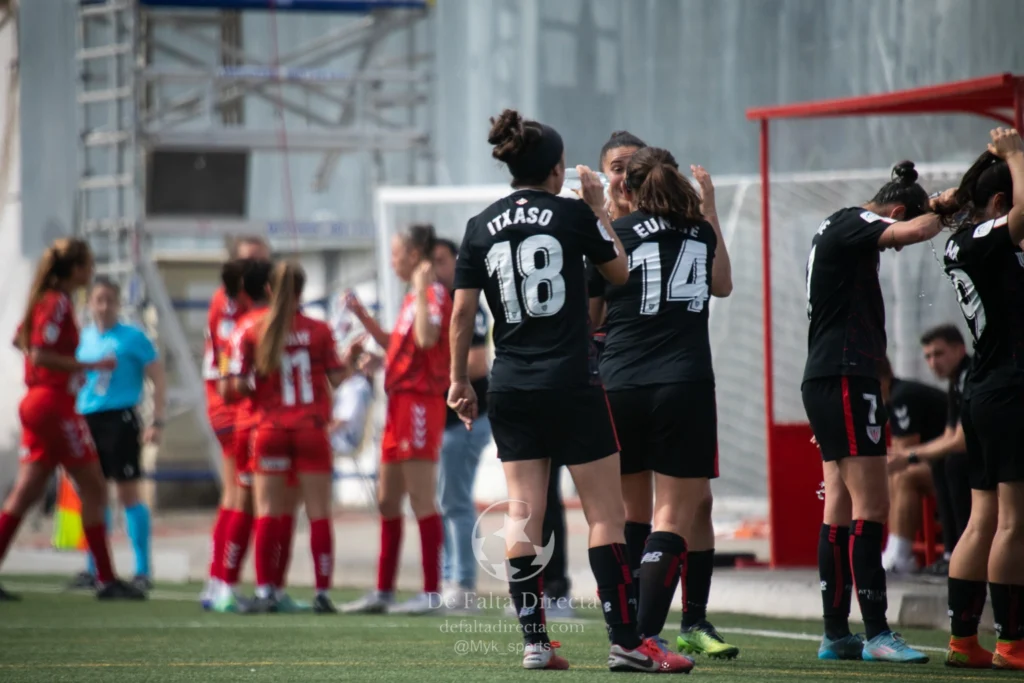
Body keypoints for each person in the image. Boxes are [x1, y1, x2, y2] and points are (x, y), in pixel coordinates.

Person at [448, 108, 693, 673]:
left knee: (523, 513)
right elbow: (621, 274)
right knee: (605, 515)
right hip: (573, 380)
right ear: (557, 168)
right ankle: (627, 642)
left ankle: (536, 643)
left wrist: (460, 381)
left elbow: (462, 313)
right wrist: (595, 209)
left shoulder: (480, 223)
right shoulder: (570, 212)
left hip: (510, 384)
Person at [590, 147, 738, 659]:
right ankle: (641, 640)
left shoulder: (619, 236)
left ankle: (628, 633)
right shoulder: (698, 232)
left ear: (625, 189)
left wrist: (600, 217)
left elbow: (592, 315)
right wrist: (710, 208)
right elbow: (723, 284)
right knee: (674, 513)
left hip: (621, 383)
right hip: (684, 384)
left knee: (633, 513)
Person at [803, 160, 945, 662]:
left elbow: (911, 223)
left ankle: (835, 632)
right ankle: (878, 633)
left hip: (827, 377)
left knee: (839, 505)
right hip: (845, 376)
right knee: (872, 506)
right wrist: (944, 213)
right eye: (897, 233)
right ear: (895, 211)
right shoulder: (855, 221)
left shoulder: (834, 230)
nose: (899, 247)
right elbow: (917, 227)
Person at [0, 238, 143, 600]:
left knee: (26, 492)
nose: (91, 271)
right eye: (88, 264)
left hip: (38, 402)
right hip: (53, 404)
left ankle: (105, 577)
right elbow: (42, 353)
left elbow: (22, 341)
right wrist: (86, 365)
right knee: (94, 486)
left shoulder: (45, 300)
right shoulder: (57, 302)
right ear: (75, 269)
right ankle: (106, 579)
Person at [939, 127, 1024, 669]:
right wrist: (1015, 154)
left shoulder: (961, 242)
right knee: (1014, 520)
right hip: (1009, 391)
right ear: (998, 203)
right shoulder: (987, 236)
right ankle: (1013, 642)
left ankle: (963, 641)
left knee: (982, 516)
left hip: (984, 389)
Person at [228, 261, 349, 614]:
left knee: (267, 511)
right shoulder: (320, 330)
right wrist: (353, 360)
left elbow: (235, 385)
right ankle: (322, 592)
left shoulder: (250, 328)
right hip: (311, 428)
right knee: (318, 513)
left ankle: (266, 590)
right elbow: (337, 378)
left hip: (270, 430)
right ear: (302, 291)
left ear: (268, 289)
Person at [342, 224, 450, 615]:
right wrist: (364, 320)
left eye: (396, 252)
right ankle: (383, 590)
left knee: (421, 498)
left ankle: (431, 592)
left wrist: (422, 291)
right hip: (398, 405)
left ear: (414, 254)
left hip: (420, 404)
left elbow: (425, 340)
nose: (392, 260)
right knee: (387, 500)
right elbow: (402, 345)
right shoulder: (411, 297)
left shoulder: (432, 293)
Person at [68, 277, 166, 592]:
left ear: (119, 303)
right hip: (87, 420)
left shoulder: (132, 338)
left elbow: (158, 377)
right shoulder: (83, 339)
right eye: (99, 299)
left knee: (127, 493)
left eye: (111, 299)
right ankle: (95, 566)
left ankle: (142, 568)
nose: (105, 306)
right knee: (93, 494)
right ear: (89, 303)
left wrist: (157, 420)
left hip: (121, 419)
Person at [201, 235, 271, 608]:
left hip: (236, 404)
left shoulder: (248, 301)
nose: (255, 268)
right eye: (249, 262)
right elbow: (231, 357)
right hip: (234, 407)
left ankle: (218, 581)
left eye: (261, 261)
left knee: (234, 496)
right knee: (243, 497)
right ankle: (226, 584)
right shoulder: (231, 302)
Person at [432, 237, 492, 611]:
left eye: (440, 260)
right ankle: (452, 575)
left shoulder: (466, 303)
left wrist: (433, 372)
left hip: (466, 419)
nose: (434, 268)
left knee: (455, 501)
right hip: (441, 420)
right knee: (445, 501)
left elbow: (477, 364)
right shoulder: (430, 304)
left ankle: (464, 582)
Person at [876, 356, 948, 574]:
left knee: (904, 476)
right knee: (893, 474)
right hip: (942, 465)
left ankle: (900, 555)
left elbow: (902, 453)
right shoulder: (893, 399)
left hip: (962, 468)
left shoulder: (902, 397)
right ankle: (894, 550)